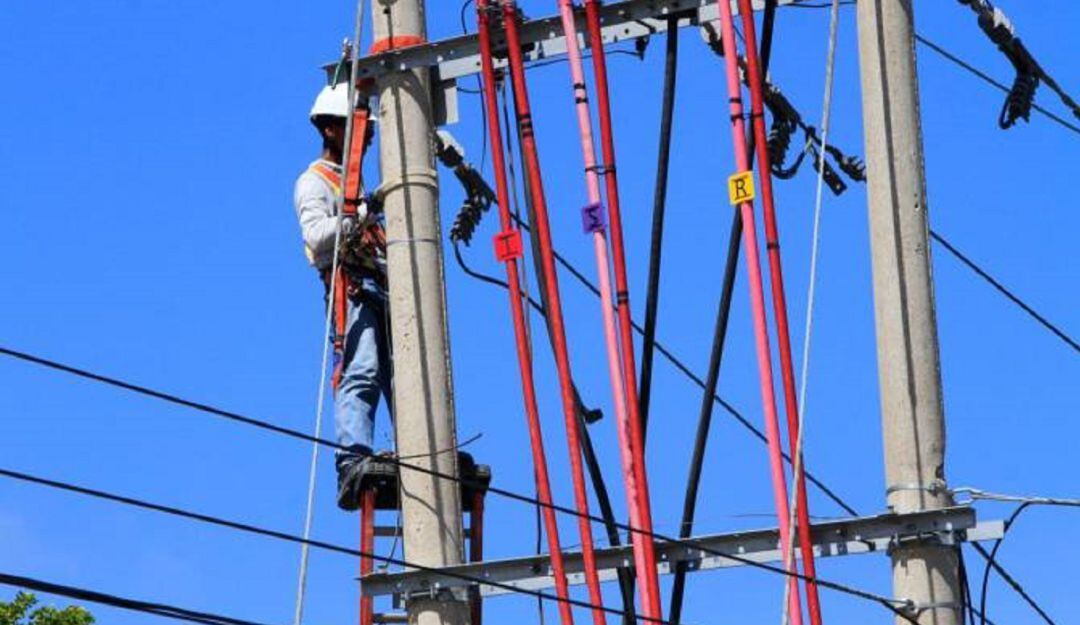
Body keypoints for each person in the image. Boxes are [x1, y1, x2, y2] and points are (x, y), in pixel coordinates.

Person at [294, 84, 391, 511]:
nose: (366, 140)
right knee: (363, 369)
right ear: (331, 129)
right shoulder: (314, 182)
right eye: (359, 129)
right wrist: (363, 214)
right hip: (352, 287)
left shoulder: (355, 182)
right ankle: (352, 457)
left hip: (382, 285)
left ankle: (422, 453)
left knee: (403, 378)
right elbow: (317, 237)